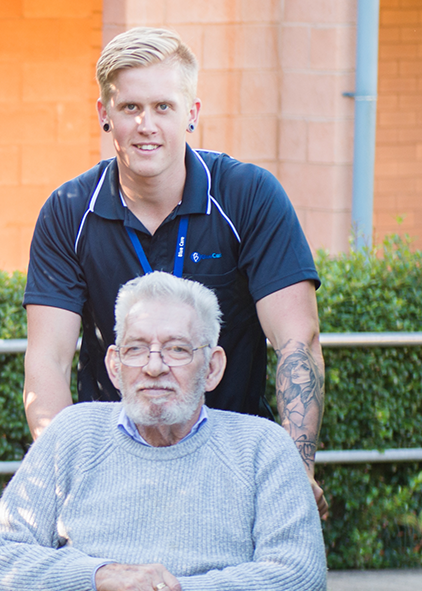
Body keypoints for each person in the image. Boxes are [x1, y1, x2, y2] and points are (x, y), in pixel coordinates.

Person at [20, 27, 327, 516]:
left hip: (233, 460)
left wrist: (296, 468)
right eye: (130, 108)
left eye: (163, 107)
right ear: (105, 115)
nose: (147, 125)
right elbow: (48, 360)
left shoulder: (249, 196)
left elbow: (297, 340)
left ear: (192, 114)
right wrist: (61, 472)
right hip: (112, 465)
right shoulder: (67, 211)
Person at [0, 273, 326, 591]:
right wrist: (103, 575)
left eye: (177, 349)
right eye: (136, 348)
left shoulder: (262, 446)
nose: (153, 367)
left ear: (212, 367)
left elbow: (299, 578)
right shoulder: (73, 432)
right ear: (114, 365)